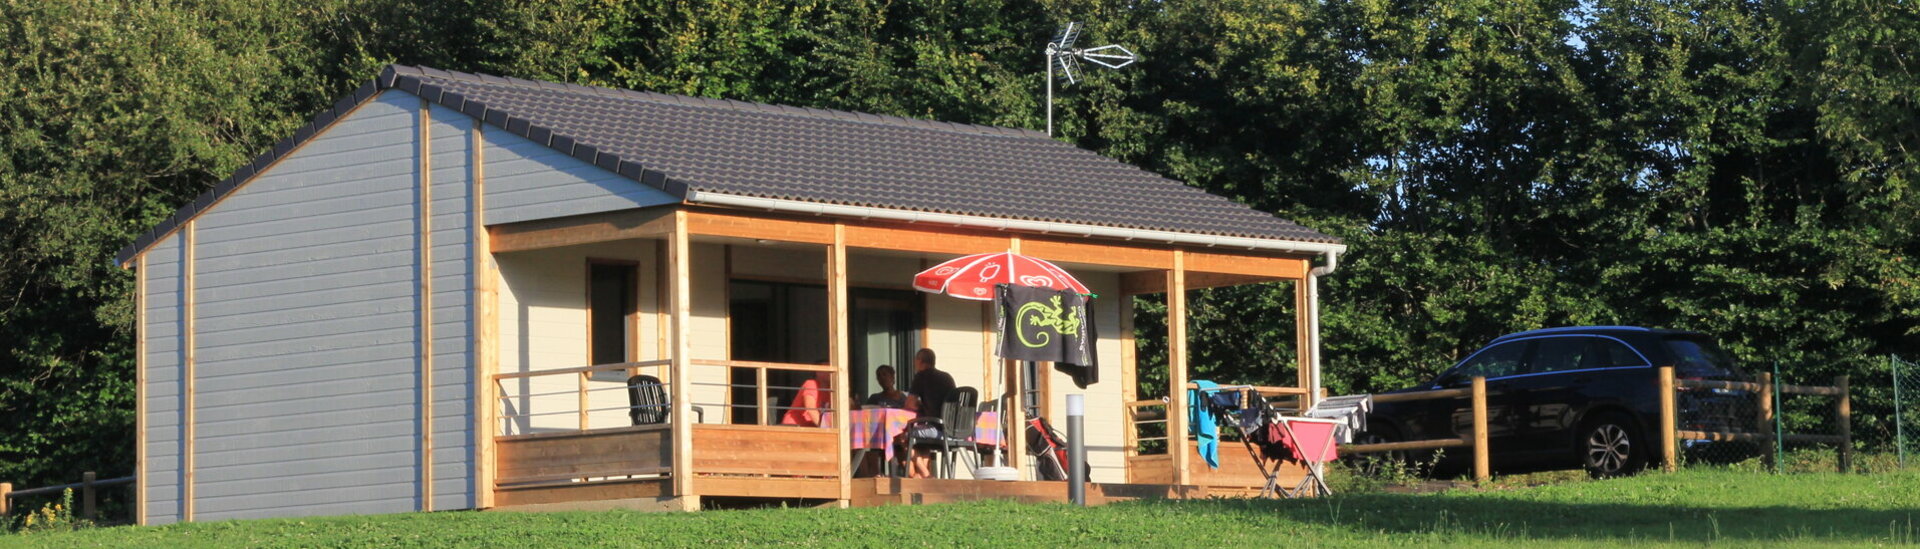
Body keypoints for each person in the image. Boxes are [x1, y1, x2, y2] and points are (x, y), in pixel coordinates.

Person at [903, 348, 954, 478]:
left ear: (920, 361)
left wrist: (920, 404)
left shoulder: (921, 376)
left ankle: (925, 474)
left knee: (904, 436)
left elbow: (909, 404)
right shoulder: (947, 377)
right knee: (922, 441)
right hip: (953, 431)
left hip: (936, 429)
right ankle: (919, 476)